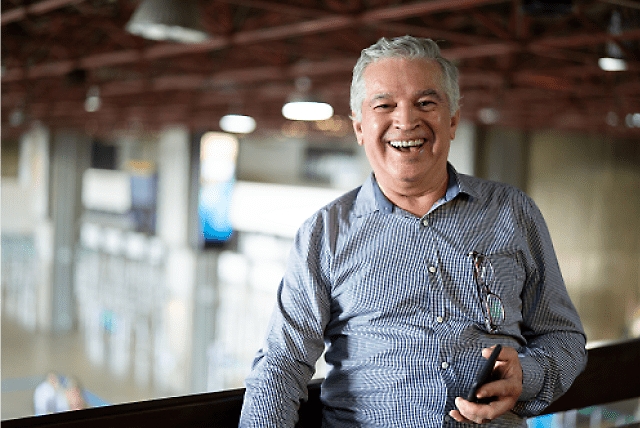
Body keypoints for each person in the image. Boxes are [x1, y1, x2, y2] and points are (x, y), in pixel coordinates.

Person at [239, 35, 587, 427]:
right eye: (384, 105)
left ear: (452, 120)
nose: (405, 121)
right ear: (358, 126)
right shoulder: (325, 234)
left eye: (425, 103)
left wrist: (528, 375)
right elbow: (281, 365)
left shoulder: (512, 212)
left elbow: (564, 338)